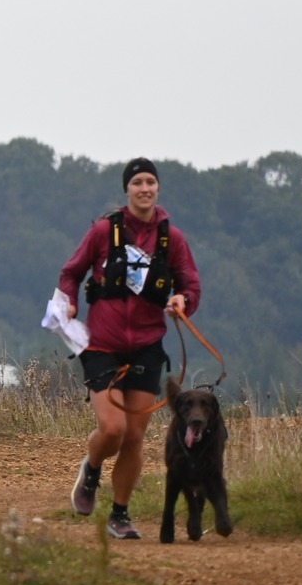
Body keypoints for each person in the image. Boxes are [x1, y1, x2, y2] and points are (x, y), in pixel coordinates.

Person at [56, 158, 200, 539]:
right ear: (127, 190)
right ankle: (91, 467)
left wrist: (182, 301)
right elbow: (71, 272)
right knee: (113, 428)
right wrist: (70, 301)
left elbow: (190, 284)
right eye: (137, 182)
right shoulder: (105, 231)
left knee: (135, 437)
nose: (145, 188)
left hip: (148, 347)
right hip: (102, 345)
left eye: (151, 181)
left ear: (158, 188)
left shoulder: (173, 239)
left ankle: (120, 514)